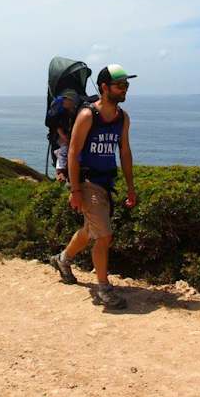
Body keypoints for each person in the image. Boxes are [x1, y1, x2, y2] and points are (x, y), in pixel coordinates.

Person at [49, 64, 138, 309]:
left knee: (91, 231)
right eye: (120, 85)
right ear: (104, 87)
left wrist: (131, 187)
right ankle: (103, 289)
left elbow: (125, 152)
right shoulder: (88, 115)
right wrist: (75, 190)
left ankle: (63, 259)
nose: (125, 89)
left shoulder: (122, 118)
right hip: (87, 182)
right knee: (105, 236)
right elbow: (74, 152)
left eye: (126, 85)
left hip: (106, 182)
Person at [52, 89, 79, 182]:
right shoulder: (62, 113)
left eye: (66, 100)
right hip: (62, 137)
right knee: (64, 150)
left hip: (70, 135)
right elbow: (57, 126)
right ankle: (60, 172)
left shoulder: (75, 112)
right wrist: (64, 137)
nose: (64, 101)